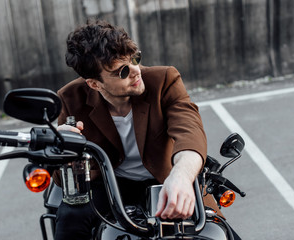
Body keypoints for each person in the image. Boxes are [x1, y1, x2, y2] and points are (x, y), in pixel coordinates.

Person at [52, 19, 225, 239]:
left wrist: (181, 176)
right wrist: (63, 150)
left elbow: (189, 130)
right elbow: (61, 179)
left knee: (217, 232)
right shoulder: (69, 98)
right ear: (95, 84)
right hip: (109, 184)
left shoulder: (164, 80)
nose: (135, 71)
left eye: (135, 59)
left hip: (165, 178)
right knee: (69, 217)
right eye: (122, 72)